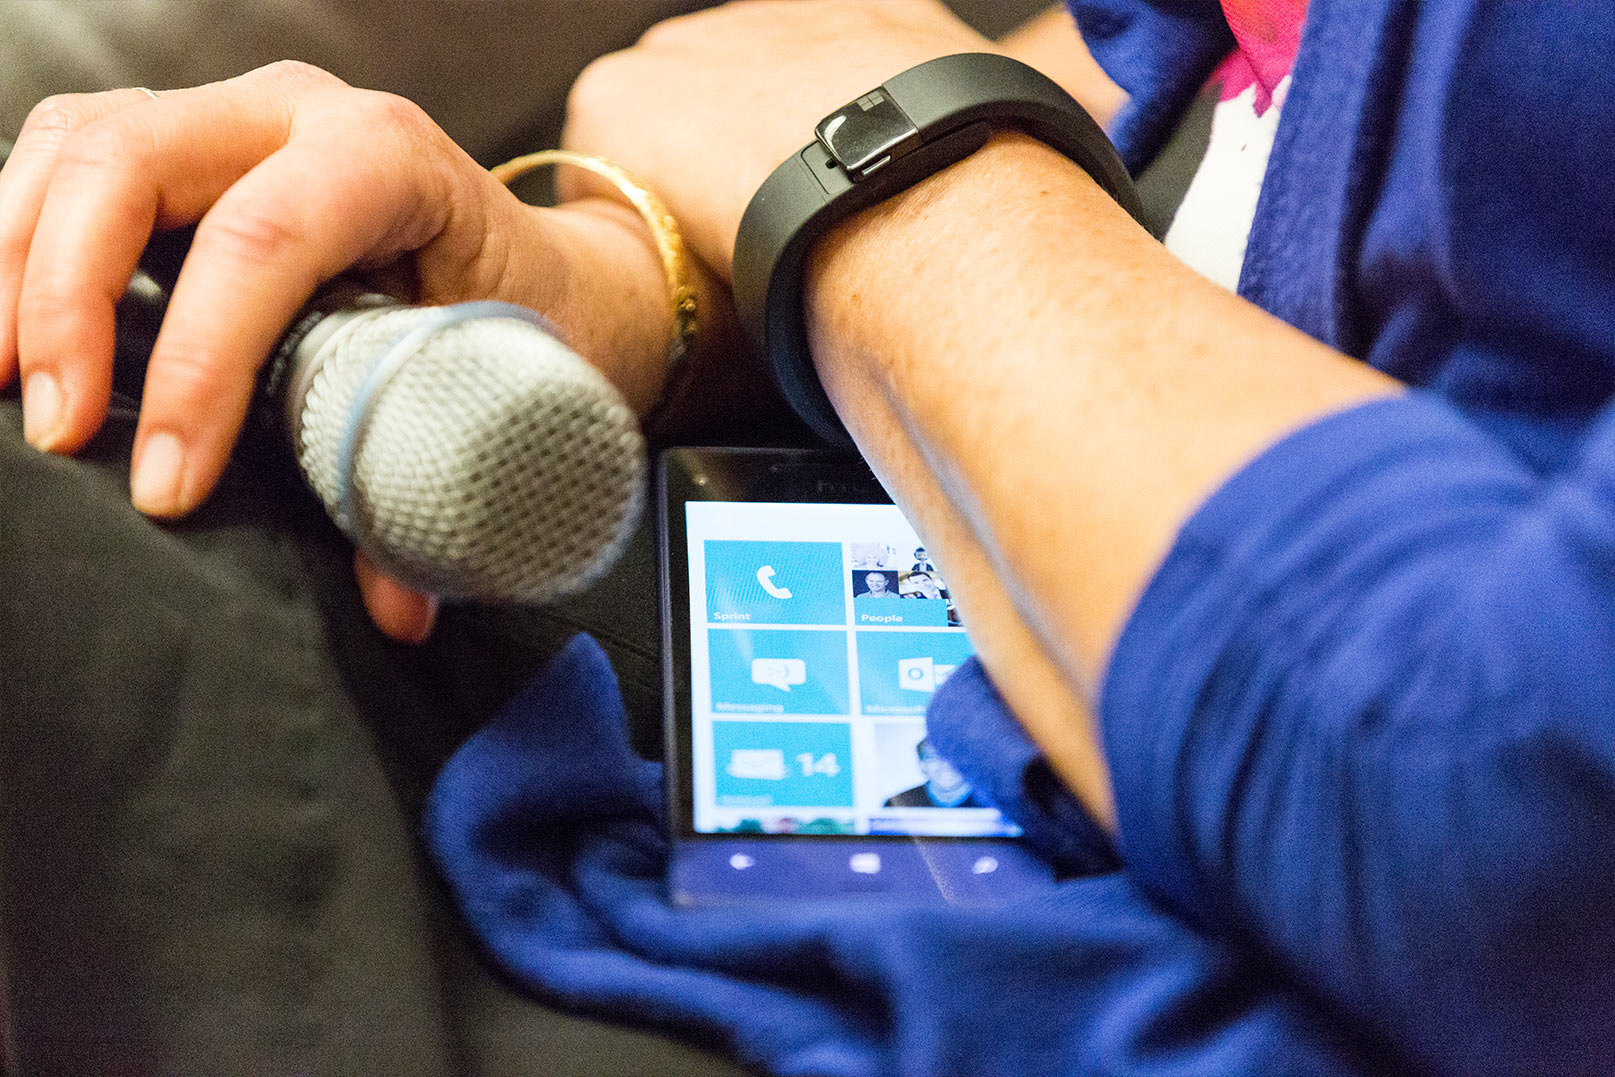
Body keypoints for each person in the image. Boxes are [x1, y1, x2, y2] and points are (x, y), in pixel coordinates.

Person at [4, 0, 1615, 1071]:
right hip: (948, 567)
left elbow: (1510, 803)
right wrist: (644, 285)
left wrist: (887, 178)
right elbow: (1220, 60)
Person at [883, 737, 985, 809]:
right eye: (933, 757)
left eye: (953, 756)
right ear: (922, 765)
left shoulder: (995, 803)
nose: (945, 765)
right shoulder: (897, 806)